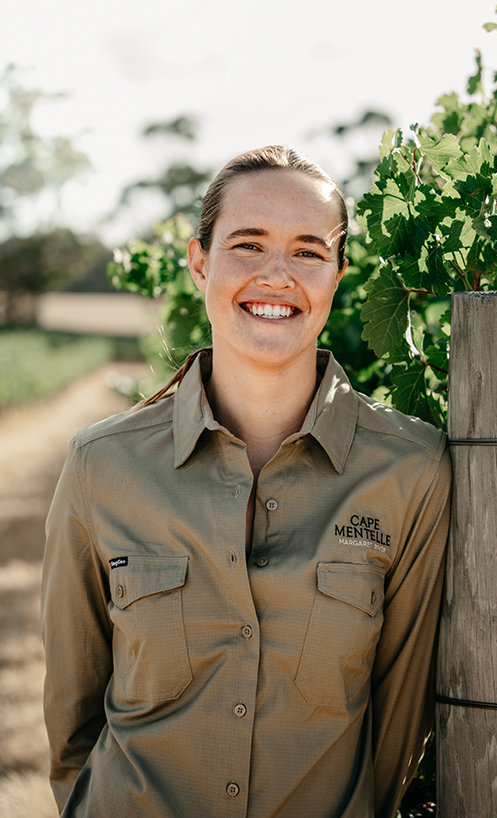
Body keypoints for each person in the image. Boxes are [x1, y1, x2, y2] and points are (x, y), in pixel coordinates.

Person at [42, 145, 451, 818]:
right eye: (248, 245)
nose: (276, 275)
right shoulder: (100, 467)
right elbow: (71, 724)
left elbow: (398, 726)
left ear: (338, 276)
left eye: (309, 252)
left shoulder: (411, 471)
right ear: (200, 263)